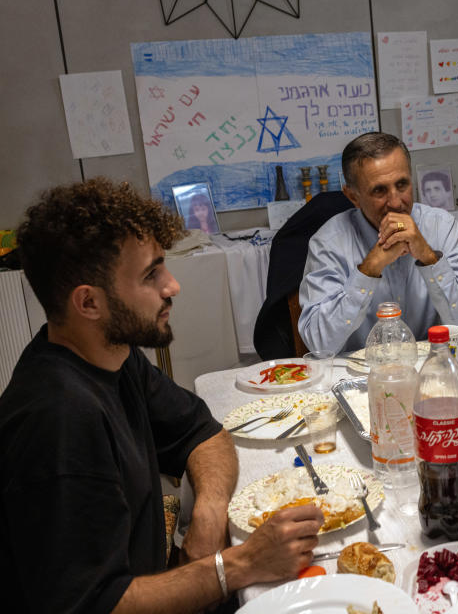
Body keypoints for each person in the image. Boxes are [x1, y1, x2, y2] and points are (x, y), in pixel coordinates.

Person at [0, 178, 323, 612]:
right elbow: (95, 603)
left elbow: (203, 432)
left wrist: (208, 513)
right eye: (151, 275)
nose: (172, 286)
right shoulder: (59, 420)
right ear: (89, 303)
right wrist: (238, 565)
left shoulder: (112, 356)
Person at [299, 132, 458, 354]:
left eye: (402, 185)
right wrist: (368, 270)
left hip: (430, 370)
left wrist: (429, 258)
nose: (396, 202)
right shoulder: (329, 242)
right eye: (379, 190)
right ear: (353, 197)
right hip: (359, 377)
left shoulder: (440, 227)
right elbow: (320, 345)